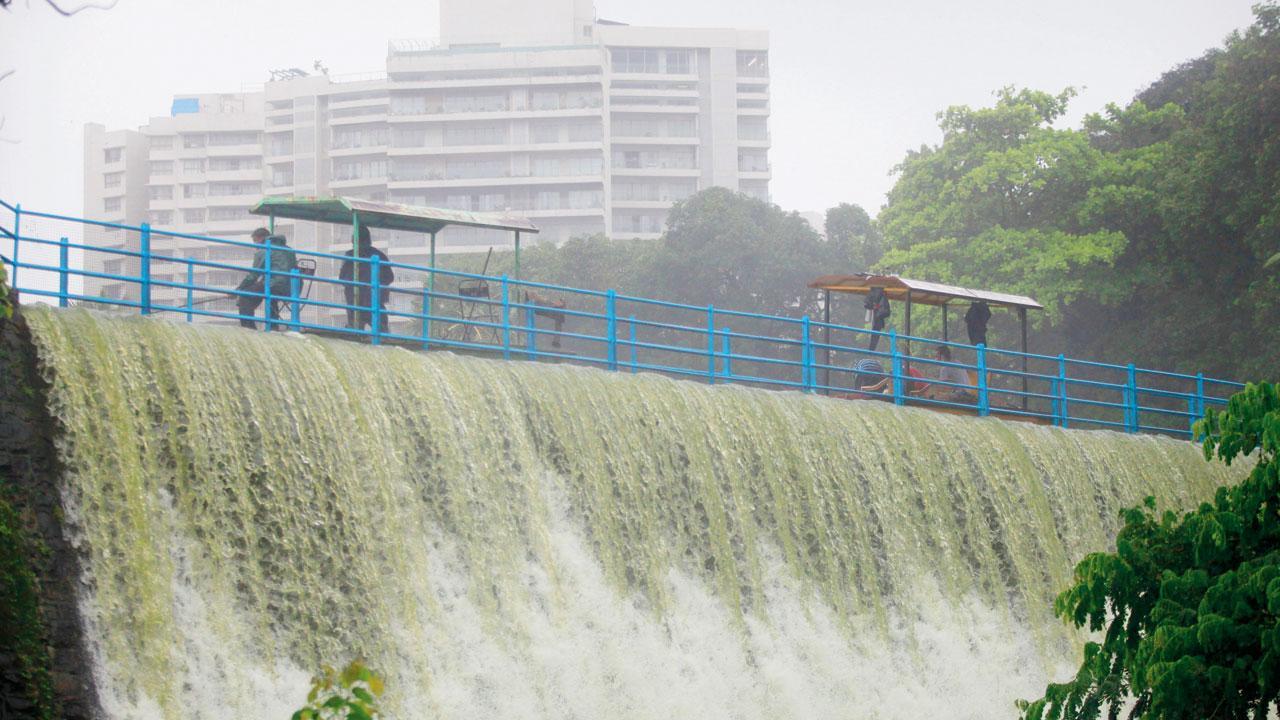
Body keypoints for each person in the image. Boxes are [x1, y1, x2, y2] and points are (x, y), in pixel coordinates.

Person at [235, 229, 297, 330]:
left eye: (255, 241)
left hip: (275, 285)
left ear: (261, 238)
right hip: (292, 288)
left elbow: (253, 275)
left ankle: (248, 328)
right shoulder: (289, 250)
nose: (255, 245)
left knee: (245, 295)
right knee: (270, 296)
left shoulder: (264, 250)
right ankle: (273, 326)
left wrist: (238, 289)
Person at [338, 226, 395, 334]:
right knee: (381, 332)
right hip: (371, 300)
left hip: (358, 300)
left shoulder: (350, 255)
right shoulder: (379, 255)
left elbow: (342, 277)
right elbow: (389, 277)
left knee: (356, 331)